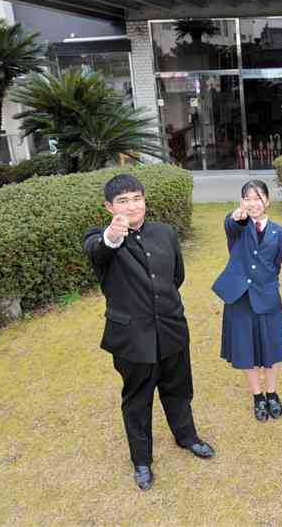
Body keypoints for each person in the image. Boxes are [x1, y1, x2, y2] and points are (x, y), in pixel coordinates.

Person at [82, 173, 214, 492]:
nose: (132, 206)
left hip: (171, 329)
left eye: (137, 198)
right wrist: (113, 234)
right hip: (132, 339)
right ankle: (142, 460)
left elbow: (176, 277)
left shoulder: (165, 233)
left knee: (178, 391)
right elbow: (99, 250)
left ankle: (187, 437)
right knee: (137, 401)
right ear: (108, 206)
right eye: (123, 201)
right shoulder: (101, 239)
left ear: (145, 200)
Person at [212, 180, 282, 422]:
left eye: (258, 198)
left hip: (267, 296)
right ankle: (257, 396)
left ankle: (272, 393)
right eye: (247, 198)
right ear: (242, 201)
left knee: (273, 348)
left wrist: (267, 284)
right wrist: (238, 217)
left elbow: (276, 265)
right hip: (240, 297)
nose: (253, 203)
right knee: (246, 348)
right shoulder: (236, 226)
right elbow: (233, 222)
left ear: (267, 200)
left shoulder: (279, 233)